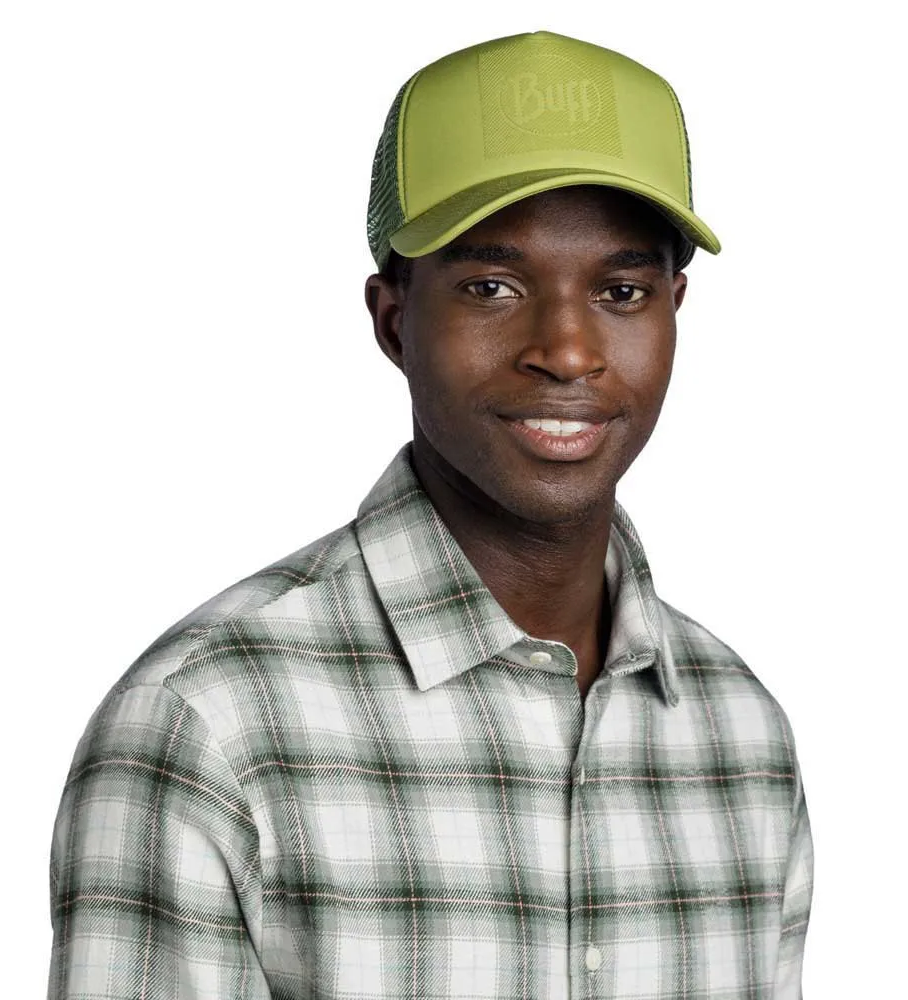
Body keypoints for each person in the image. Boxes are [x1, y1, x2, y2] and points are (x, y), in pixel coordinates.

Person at [47, 30, 813, 999]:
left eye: (622, 291)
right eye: (491, 287)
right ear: (393, 318)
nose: (566, 350)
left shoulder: (742, 736)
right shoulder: (208, 726)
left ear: (674, 311)